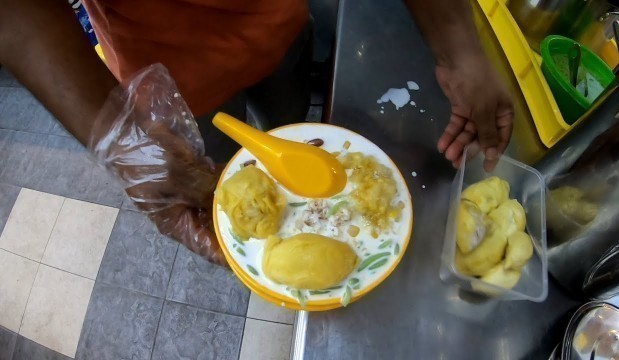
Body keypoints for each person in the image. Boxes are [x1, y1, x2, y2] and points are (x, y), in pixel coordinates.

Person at [0, 0, 513, 265]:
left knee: (288, 125)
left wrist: (458, 47)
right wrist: (122, 142)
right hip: (173, 80)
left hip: (278, 32)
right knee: (218, 175)